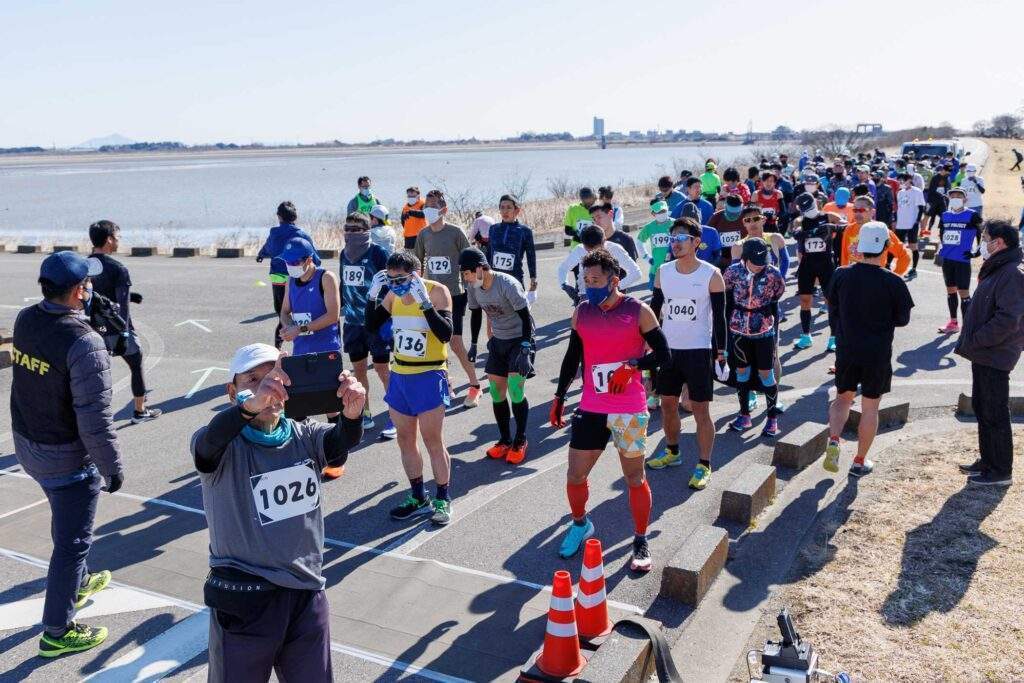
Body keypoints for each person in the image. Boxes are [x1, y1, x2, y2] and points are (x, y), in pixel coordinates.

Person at [192, 343, 365, 682]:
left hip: (305, 594)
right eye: (252, 379)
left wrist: (352, 414)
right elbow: (208, 445)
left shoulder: (305, 435)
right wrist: (251, 407)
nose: (265, 386)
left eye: (274, 376)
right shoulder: (223, 444)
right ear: (232, 392)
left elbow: (340, 445)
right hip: (245, 598)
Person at [11, 252, 121, 657]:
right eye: (87, 283)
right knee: (71, 543)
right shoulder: (84, 342)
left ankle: (81, 581)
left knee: (66, 523)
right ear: (78, 291)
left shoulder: (26, 319)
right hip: (66, 459)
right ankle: (57, 631)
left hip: (29, 445)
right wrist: (112, 468)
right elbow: (95, 419)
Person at [550, 249, 670, 571]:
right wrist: (560, 396)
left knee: (634, 478)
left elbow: (664, 355)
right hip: (591, 406)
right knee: (575, 474)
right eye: (585, 280)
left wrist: (632, 366)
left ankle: (640, 539)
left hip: (628, 409)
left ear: (614, 281)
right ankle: (580, 524)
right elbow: (572, 356)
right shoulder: (582, 312)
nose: (589, 286)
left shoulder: (638, 311)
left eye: (595, 280)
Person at [366, 252, 456, 524]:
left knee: (433, 441)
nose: (395, 285)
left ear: (416, 275)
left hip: (428, 375)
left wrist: (425, 303)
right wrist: (372, 295)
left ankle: (443, 498)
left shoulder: (437, 292)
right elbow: (371, 325)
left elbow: (446, 334)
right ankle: (418, 496)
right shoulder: (392, 296)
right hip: (400, 375)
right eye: (390, 280)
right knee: (405, 440)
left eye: (401, 279)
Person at [824, 222, 914, 476]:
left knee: (842, 399)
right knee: (870, 407)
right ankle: (859, 461)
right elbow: (903, 319)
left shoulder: (841, 274)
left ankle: (834, 440)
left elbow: (833, 306)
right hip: (877, 352)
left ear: (859, 247)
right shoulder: (894, 281)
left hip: (847, 348)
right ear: (886, 246)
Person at [645, 219, 727, 491]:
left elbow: (720, 318)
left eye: (681, 238)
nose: (675, 243)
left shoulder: (711, 275)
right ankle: (673, 451)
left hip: (698, 351)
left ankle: (704, 464)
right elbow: (654, 312)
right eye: (672, 238)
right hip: (669, 351)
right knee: (667, 404)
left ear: (696, 242)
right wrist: (649, 345)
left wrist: (721, 352)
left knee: (701, 410)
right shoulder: (663, 272)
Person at [954, 221, 1024, 486]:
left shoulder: (1012, 272)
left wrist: (978, 340)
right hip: (985, 352)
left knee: (994, 411)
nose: (982, 243)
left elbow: (1008, 319)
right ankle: (988, 460)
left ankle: (1000, 470)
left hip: (995, 352)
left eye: (985, 238)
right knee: (983, 408)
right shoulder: (999, 266)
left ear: (999, 242)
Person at [460, 248, 535, 465]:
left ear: (479, 268)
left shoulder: (507, 284)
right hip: (498, 341)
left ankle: (520, 440)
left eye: (467, 273)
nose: (466, 278)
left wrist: (525, 349)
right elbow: (475, 314)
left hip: (520, 339)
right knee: (496, 391)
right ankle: (504, 440)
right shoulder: (473, 287)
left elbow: (526, 318)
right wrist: (474, 345)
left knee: (515, 390)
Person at [413, 189, 482, 407]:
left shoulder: (455, 232)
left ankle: (475, 385)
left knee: (455, 343)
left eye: (433, 206)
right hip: (431, 295)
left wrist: (476, 286)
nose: (428, 210)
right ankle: (446, 382)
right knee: (434, 340)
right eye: (426, 206)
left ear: (444, 210)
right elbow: (416, 264)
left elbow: (471, 258)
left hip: (454, 294)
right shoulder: (423, 234)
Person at [87, 220, 161, 423]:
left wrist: (131, 296)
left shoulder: (84, 266)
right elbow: (122, 307)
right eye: (118, 237)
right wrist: (125, 333)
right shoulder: (118, 268)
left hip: (92, 330)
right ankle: (140, 411)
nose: (119, 241)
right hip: (117, 329)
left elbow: (91, 295)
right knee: (136, 364)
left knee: (93, 375)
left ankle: (90, 416)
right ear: (109, 239)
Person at [339, 213, 396, 439]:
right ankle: (365, 413)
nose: (351, 233)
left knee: (383, 369)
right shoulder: (344, 254)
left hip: (376, 323)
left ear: (366, 230)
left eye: (356, 229)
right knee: (359, 370)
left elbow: (392, 285)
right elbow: (344, 284)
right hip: (352, 323)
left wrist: (388, 316)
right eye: (348, 229)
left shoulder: (378, 253)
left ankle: (395, 415)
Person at [724, 239, 786, 437]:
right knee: (741, 372)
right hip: (738, 329)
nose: (760, 265)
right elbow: (725, 294)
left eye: (763, 261)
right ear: (745, 258)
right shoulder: (732, 272)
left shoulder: (773, 273)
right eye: (755, 262)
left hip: (764, 330)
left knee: (766, 373)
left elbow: (778, 294)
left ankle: (772, 419)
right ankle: (744, 415)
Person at [256, 202, 321, 348]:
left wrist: (261, 255)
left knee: (282, 314)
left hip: (278, 278)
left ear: (279, 217)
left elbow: (268, 248)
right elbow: (315, 257)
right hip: (297, 278)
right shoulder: (302, 234)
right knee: (302, 313)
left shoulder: (274, 234)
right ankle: (305, 345)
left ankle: (277, 348)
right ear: (295, 217)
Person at [790, 194, 842, 351]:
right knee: (805, 300)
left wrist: (832, 228)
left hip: (826, 263)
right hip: (807, 264)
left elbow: (845, 225)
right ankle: (806, 336)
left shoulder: (828, 216)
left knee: (830, 301)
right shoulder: (799, 220)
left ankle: (833, 338)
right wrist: (814, 232)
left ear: (816, 203)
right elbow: (796, 233)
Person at [936, 187, 984, 334]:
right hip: (948, 260)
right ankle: (953, 323)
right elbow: (942, 233)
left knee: (964, 293)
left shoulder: (972, 215)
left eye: (959, 195)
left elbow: (982, 234)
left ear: (965, 199)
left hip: (962, 260)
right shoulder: (945, 215)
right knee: (950, 291)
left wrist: (977, 252)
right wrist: (942, 249)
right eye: (953, 196)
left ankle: (967, 327)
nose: (955, 198)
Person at [556, 224, 643, 303]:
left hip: (610, 297)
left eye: (596, 249)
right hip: (586, 297)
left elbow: (636, 273)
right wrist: (564, 285)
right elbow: (563, 268)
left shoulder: (615, 250)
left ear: (604, 240)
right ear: (583, 243)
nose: (592, 253)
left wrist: (615, 287)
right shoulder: (579, 250)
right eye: (588, 250)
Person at [486, 194, 537, 291]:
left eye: (509, 207)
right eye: (502, 207)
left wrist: (533, 277)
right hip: (495, 280)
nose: (505, 211)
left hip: (515, 279)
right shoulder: (493, 229)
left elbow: (531, 256)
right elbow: (489, 254)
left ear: (517, 210)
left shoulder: (525, 231)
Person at [895, 172, 927, 278]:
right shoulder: (900, 193)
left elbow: (921, 207)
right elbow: (900, 208)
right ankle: (889, 265)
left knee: (913, 247)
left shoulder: (917, 191)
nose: (901, 183)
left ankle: (913, 269)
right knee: (896, 246)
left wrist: (917, 221)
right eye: (899, 181)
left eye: (903, 181)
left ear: (909, 180)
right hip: (900, 224)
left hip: (911, 224)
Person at [636, 200, 673, 287]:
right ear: (653, 214)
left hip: (673, 266)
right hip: (656, 268)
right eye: (659, 212)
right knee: (656, 292)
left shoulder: (675, 224)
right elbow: (639, 242)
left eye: (664, 211)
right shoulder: (649, 227)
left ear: (667, 210)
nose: (662, 213)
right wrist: (646, 257)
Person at [708, 195, 745, 271]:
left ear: (742, 209)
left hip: (741, 260)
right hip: (720, 260)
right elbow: (707, 238)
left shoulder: (746, 218)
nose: (733, 216)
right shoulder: (716, 218)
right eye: (730, 213)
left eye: (736, 213)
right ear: (725, 207)